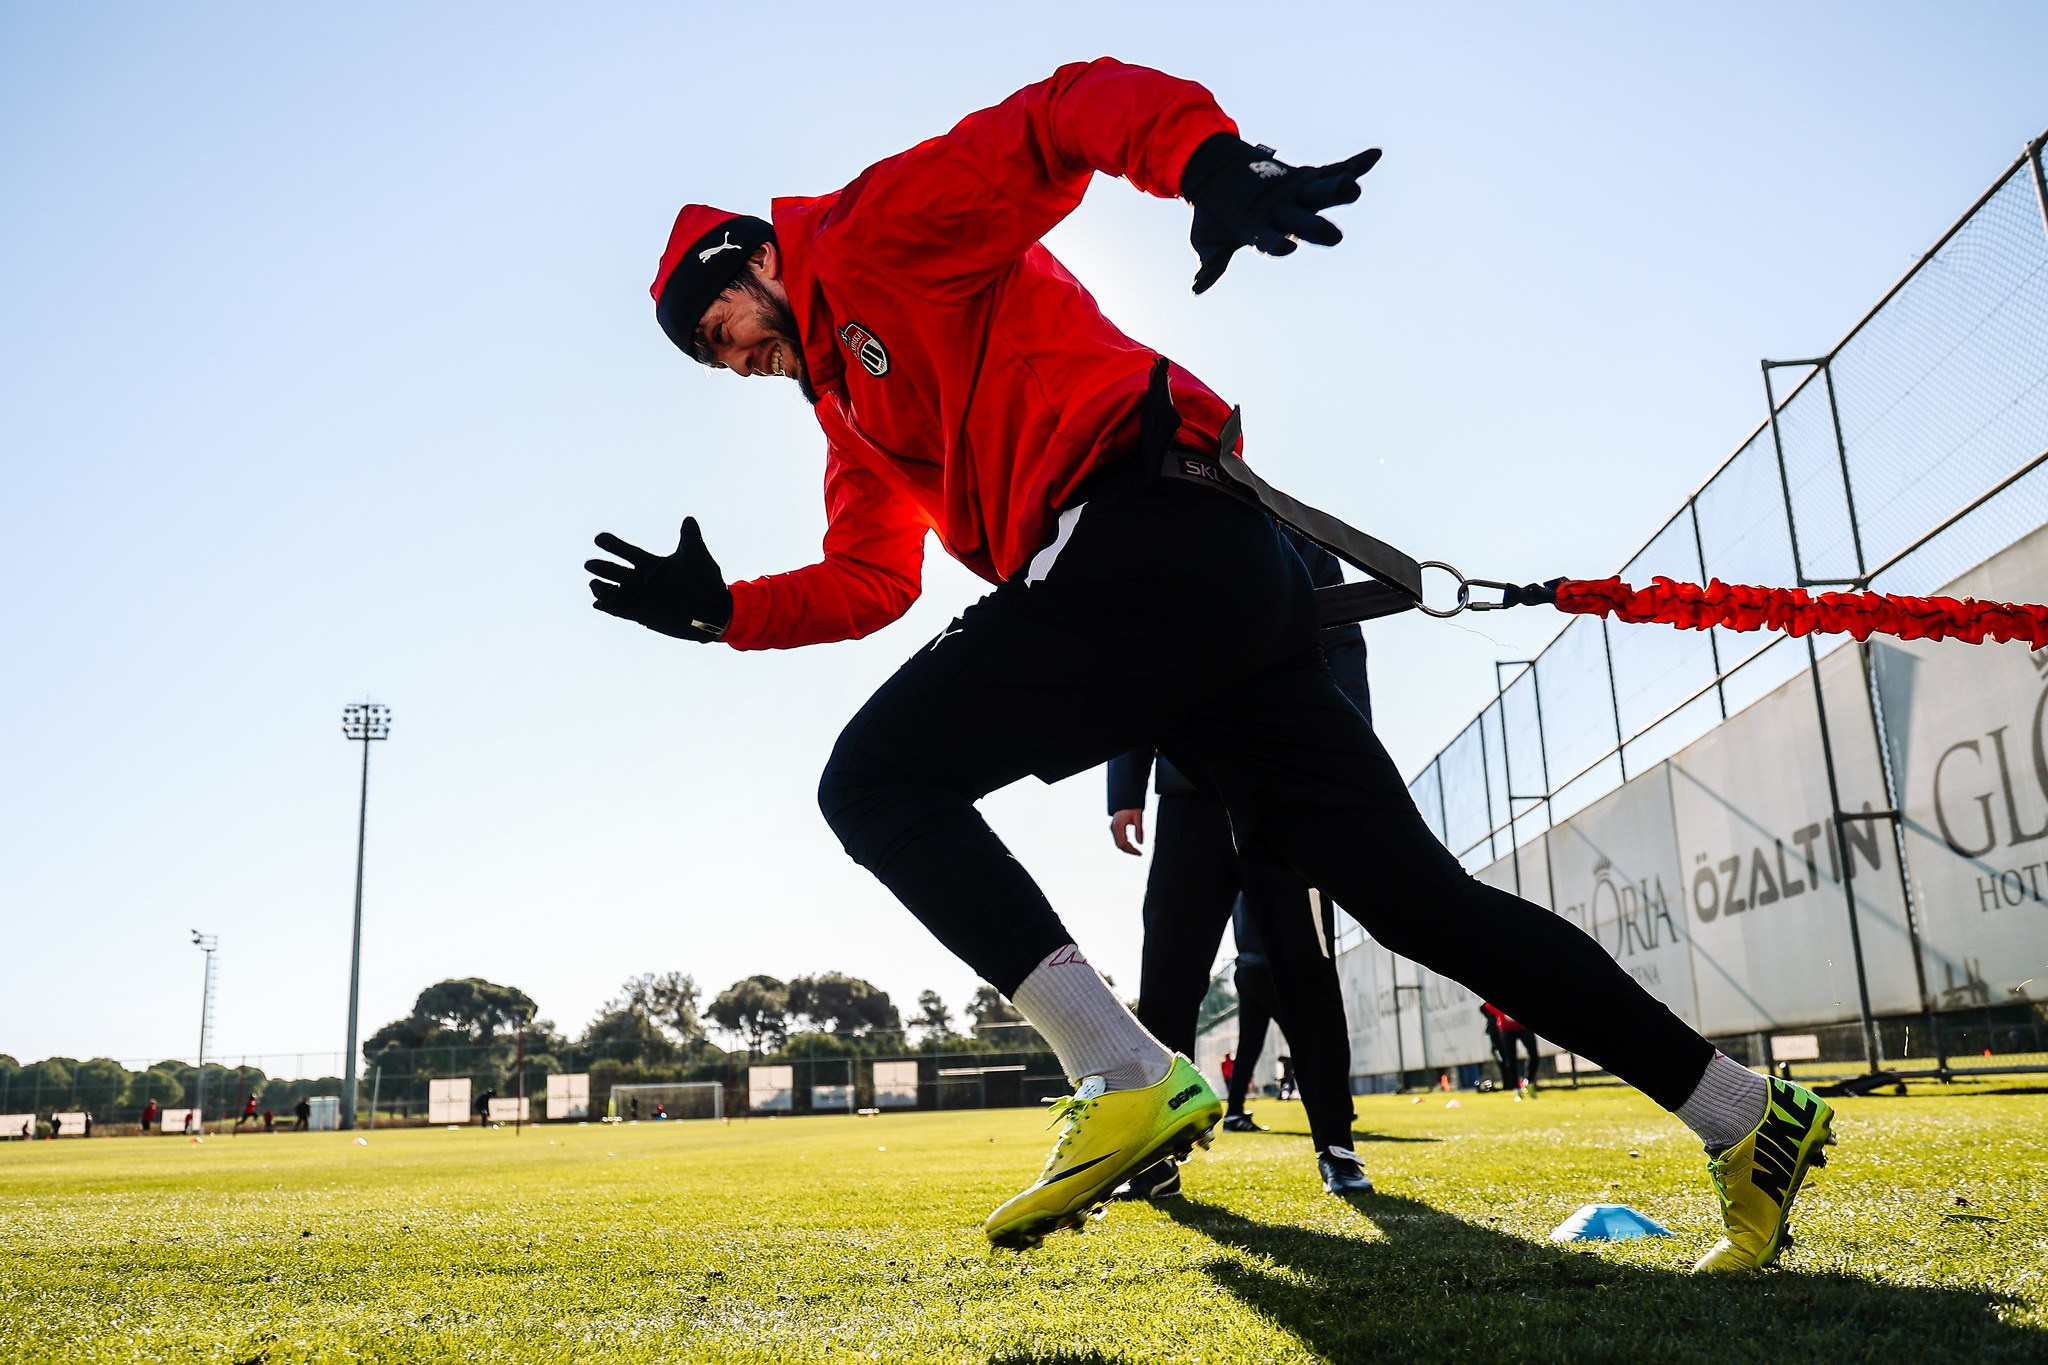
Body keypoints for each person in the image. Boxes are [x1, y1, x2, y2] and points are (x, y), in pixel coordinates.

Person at [594, 58, 1833, 1267]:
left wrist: (1205, 160)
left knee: (871, 783)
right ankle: (1740, 1112)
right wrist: (725, 612)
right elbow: (874, 579)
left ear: (755, 260)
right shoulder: (847, 418)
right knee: (1412, 902)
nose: (735, 362)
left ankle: (1120, 1068)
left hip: (1148, 542)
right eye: (714, 362)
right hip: (1207, 591)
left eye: (723, 331)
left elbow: (1056, 115)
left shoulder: (866, 233)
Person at [1106, 524, 1373, 1197]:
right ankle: (1157, 1151)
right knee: (1167, 975)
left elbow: (1341, 647)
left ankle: (1336, 1142)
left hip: (1283, 790)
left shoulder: (1298, 544)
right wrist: (1125, 788)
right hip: (1191, 795)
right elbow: (1135, 662)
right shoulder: (1165, 540)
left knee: (1302, 971)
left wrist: (1348, 766)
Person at [1481, 1002, 1541, 1098]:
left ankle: (1529, 1081)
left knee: (1534, 1055)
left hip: (1523, 1027)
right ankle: (1517, 1090)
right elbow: (1485, 1008)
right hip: (1507, 1029)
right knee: (1511, 1060)